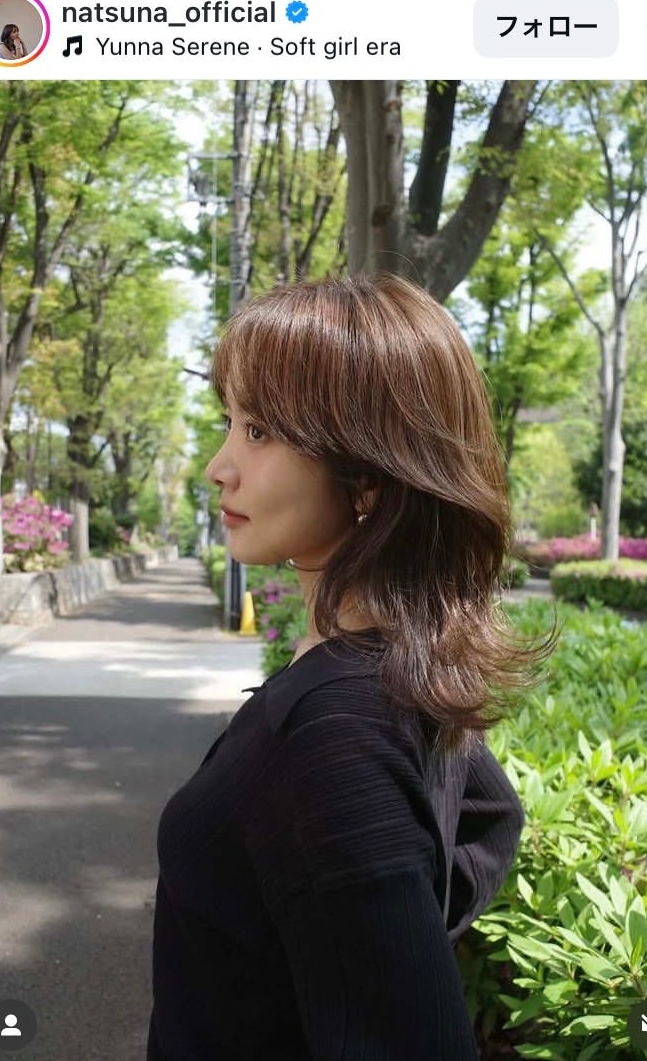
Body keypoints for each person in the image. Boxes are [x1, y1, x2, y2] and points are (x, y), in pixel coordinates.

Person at [146, 274, 556, 1060]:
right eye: (231, 423)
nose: (219, 466)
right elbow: (491, 817)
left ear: (367, 473)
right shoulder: (390, 661)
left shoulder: (335, 727)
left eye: (260, 431)